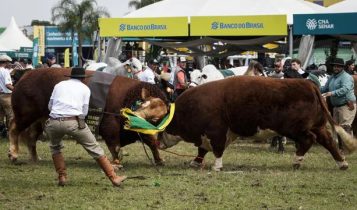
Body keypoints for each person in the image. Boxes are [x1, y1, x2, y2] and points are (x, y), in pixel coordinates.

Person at [44, 67, 126, 187]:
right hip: (73, 121)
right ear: (83, 78)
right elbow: (84, 112)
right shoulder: (85, 89)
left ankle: (62, 176)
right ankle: (114, 178)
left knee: (55, 148)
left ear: (71, 76)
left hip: (53, 122)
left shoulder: (59, 85)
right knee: (95, 149)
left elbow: (50, 106)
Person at [321, 58, 356, 137]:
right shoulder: (332, 77)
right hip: (337, 107)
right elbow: (324, 89)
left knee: (345, 127)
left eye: (338, 66)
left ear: (342, 67)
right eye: (334, 66)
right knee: (337, 129)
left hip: (347, 106)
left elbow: (345, 89)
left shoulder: (346, 77)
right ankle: (340, 148)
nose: (336, 68)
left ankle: (348, 148)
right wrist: (314, 88)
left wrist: (331, 93)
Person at [0, 55, 14, 131]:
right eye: (9, 62)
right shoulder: (5, 71)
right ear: (5, 62)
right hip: (6, 96)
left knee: (0, 115)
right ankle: (11, 132)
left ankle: (2, 132)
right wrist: (16, 90)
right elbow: (8, 85)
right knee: (11, 115)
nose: (10, 64)